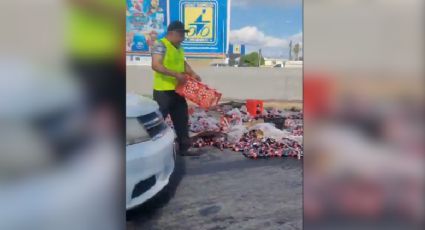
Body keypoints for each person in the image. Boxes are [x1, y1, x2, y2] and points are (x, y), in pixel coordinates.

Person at [151, 20, 202, 156]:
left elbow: (183, 64)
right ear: (172, 33)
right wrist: (176, 74)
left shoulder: (179, 47)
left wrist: (193, 73)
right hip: (163, 92)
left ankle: (185, 148)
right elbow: (156, 65)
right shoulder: (160, 45)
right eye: (181, 34)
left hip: (179, 90)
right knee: (158, 122)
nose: (183, 37)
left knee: (181, 119)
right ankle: (152, 150)